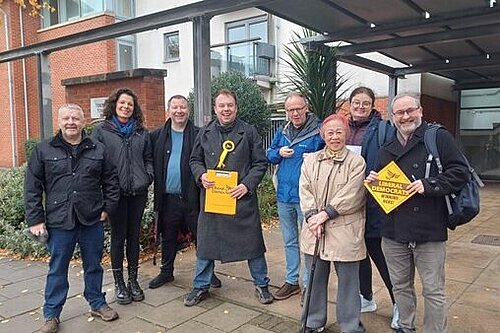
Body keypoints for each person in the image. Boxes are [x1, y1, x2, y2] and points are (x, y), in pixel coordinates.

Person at [365, 93, 469, 333]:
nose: (405, 116)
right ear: (392, 117)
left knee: (433, 289)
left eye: (410, 110)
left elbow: (460, 172)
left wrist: (429, 184)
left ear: (420, 111)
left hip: (429, 228)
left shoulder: (438, 137)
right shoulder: (386, 147)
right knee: (400, 286)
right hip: (393, 231)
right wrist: (374, 183)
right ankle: (405, 326)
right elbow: (382, 194)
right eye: (399, 113)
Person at [24, 104, 120, 333]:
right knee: (57, 269)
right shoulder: (44, 150)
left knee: (94, 266)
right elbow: (32, 188)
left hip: (91, 219)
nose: (71, 122)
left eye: (75, 118)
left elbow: (111, 181)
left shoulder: (98, 149)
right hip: (60, 221)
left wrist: (107, 208)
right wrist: (35, 220)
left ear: (83, 121)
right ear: (58, 121)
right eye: (66, 118)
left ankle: (97, 303)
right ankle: (52, 313)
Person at [184, 89, 273, 306]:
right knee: (206, 244)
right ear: (215, 109)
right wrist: (201, 175)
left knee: (253, 245)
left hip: (241, 200)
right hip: (213, 200)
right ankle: (200, 286)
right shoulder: (204, 133)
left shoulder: (249, 132)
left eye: (230, 105)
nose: (226, 109)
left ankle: (262, 285)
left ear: (236, 107)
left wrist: (246, 185)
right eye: (221, 106)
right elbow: (194, 160)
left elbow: (260, 163)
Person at [299, 113, 366, 333]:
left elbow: (353, 194)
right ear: (323, 135)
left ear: (346, 134)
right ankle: (312, 321)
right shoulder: (311, 160)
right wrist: (312, 217)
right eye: (330, 133)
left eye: (339, 132)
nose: (335, 137)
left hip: (345, 231)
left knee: (348, 283)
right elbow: (305, 190)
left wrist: (325, 214)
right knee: (315, 280)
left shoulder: (357, 161)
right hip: (314, 229)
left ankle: (350, 325)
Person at [148, 95, 221, 289]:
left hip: (193, 196)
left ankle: (208, 273)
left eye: (183, 107)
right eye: (175, 107)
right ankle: (166, 272)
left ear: (188, 110)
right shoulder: (156, 136)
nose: (179, 111)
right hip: (168, 198)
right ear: (168, 111)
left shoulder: (199, 134)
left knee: (201, 235)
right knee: (168, 236)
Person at [92, 88, 153, 305]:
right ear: (114, 105)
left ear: (134, 108)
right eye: (122, 103)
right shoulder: (101, 132)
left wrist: (147, 177)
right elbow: (94, 162)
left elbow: (148, 159)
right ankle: (119, 283)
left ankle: (133, 281)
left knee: (134, 237)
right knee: (118, 238)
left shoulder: (141, 132)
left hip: (137, 192)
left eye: (130, 104)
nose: (126, 107)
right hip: (114, 194)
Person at [346, 87, 399, 328]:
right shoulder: (343, 128)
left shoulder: (383, 129)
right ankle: (366, 298)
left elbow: (395, 161)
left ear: (372, 105)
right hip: (349, 202)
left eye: (365, 103)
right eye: (356, 102)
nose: (360, 107)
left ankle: (399, 303)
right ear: (349, 104)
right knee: (358, 254)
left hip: (375, 202)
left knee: (381, 254)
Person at [266, 92, 324, 300]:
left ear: (306, 108)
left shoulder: (318, 132)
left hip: (307, 198)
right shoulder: (283, 131)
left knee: (309, 242)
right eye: (291, 110)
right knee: (290, 241)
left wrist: (318, 158)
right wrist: (278, 153)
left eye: (298, 108)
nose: (295, 113)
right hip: (284, 196)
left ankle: (309, 285)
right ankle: (292, 281)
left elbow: (331, 156)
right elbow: (269, 154)